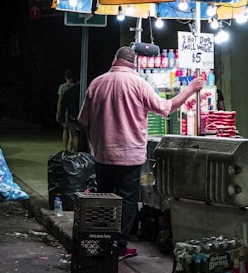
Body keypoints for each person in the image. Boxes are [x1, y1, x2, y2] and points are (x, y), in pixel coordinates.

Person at [77, 45, 205, 260]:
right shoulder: (139, 83)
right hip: (130, 155)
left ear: (114, 60)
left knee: (105, 198)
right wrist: (190, 89)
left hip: (103, 155)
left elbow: (84, 122)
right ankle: (119, 247)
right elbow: (166, 108)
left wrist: (96, 143)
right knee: (127, 199)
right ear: (134, 64)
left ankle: (104, 242)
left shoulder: (96, 83)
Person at [57, 76, 82, 152]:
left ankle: (70, 150)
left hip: (72, 116)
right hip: (82, 116)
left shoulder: (67, 91)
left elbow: (62, 103)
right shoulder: (84, 90)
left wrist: (61, 116)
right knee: (74, 136)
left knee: (74, 135)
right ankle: (74, 150)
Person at [55, 69, 76, 151]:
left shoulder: (62, 87)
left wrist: (58, 112)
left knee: (65, 129)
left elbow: (60, 101)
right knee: (71, 132)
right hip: (72, 110)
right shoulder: (74, 86)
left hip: (65, 110)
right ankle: (70, 150)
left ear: (65, 77)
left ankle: (65, 148)